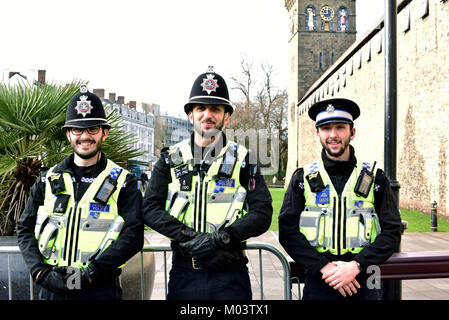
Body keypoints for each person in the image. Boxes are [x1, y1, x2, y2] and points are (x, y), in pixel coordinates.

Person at [142, 67, 273, 300]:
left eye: (215, 109)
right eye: (200, 108)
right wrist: (188, 237)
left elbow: (262, 212)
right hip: (185, 274)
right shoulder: (169, 158)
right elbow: (150, 208)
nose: (207, 114)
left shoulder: (245, 159)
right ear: (190, 115)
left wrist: (221, 238)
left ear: (226, 116)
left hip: (231, 275)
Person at [17, 85, 144, 300]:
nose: (85, 136)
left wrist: (92, 273)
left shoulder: (124, 181)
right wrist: (39, 271)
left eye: (92, 129)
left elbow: (133, 236)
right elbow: (24, 227)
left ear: (104, 133)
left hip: (99, 286)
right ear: (68, 134)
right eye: (77, 129)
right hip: (52, 286)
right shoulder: (47, 179)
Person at [279, 98, 402, 300]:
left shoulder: (375, 178)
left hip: (363, 280)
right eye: (326, 128)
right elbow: (287, 230)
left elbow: (392, 230)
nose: (333, 135)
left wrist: (356, 265)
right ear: (317, 134)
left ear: (352, 133)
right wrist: (324, 267)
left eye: (340, 128)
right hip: (320, 280)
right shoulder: (302, 178)